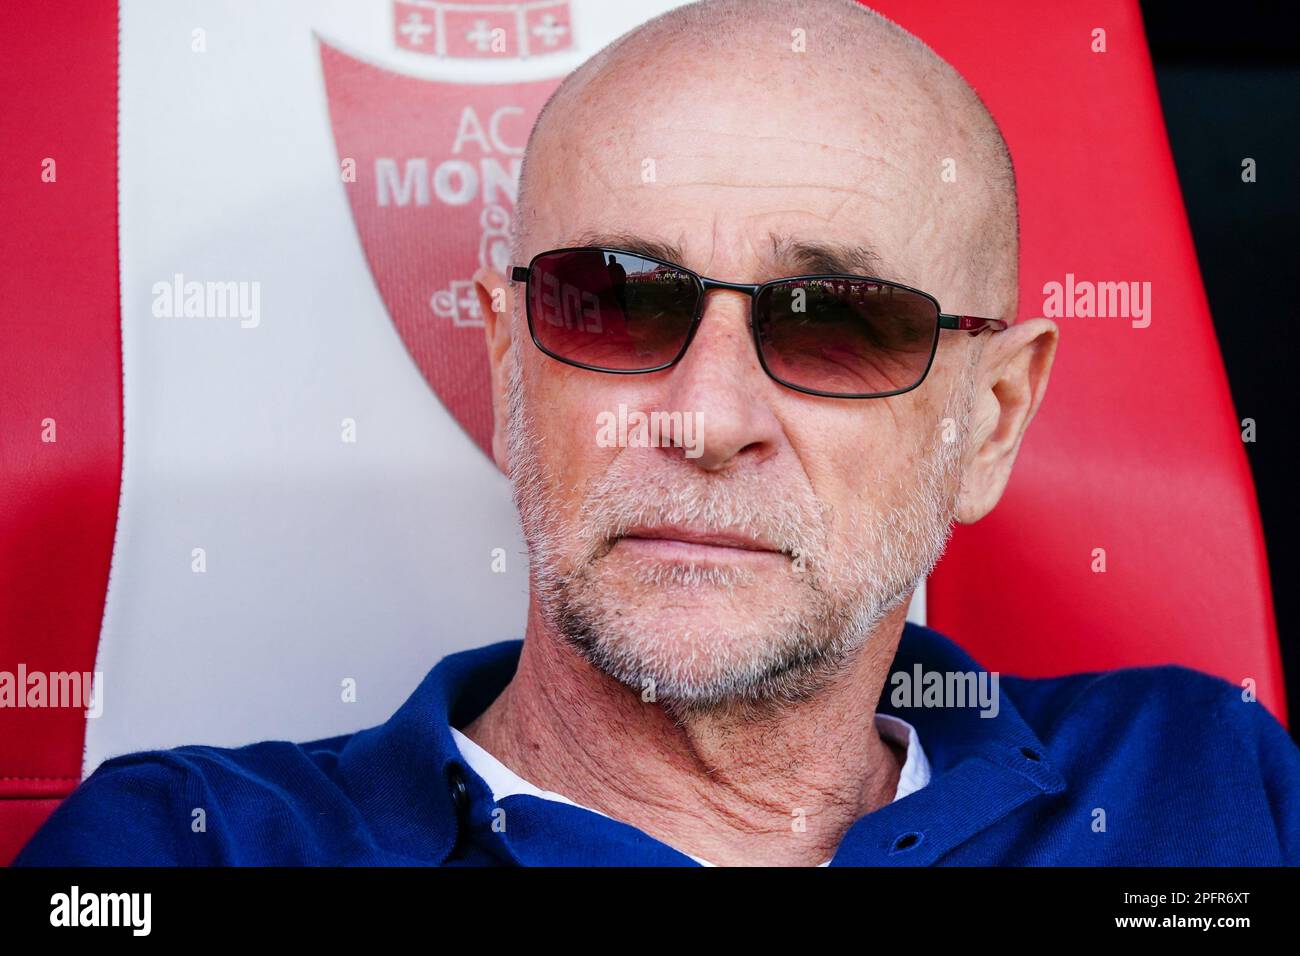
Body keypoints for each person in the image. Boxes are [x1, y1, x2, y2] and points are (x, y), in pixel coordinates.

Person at [16, 0, 1299, 867]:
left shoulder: (1211, 781)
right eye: (618, 303)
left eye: (836, 321)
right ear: (511, 364)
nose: (706, 416)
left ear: (990, 421)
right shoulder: (184, 846)